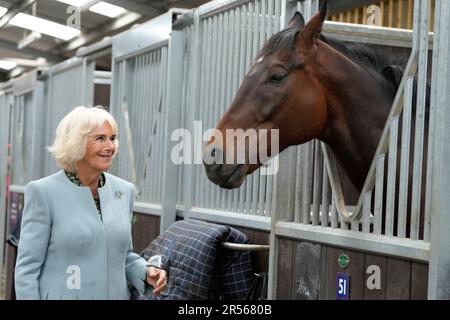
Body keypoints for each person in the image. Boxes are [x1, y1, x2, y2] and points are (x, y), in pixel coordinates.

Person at [14, 106, 167, 300]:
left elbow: (123, 256)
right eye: (100, 138)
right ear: (75, 143)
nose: (111, 146)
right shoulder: (43, 192)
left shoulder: (124, 191)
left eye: (112, 138)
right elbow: (27, 270)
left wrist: (146, 271)